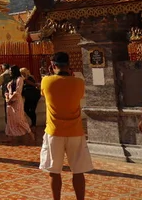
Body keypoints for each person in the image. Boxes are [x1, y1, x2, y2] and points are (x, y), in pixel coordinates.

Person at [40, 52, 93, 200]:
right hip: (75, 131)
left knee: (54, 171)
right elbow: (80, 95)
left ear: (52, 65)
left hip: (54, 131)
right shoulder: (79, 83)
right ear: (69, 66)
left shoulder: (46, 81)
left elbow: (44, 95)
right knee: (78, 171)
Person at [5, 65, 34, 142]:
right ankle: (10, 136)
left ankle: (30, 133)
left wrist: (10, 99)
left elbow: (18, 92)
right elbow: (7, 91)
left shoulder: (20, 79)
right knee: (10, 119)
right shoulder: (11, 81)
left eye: (11, 71)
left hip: (16, 101)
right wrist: (7, 98)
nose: (10, 72)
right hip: (9, 102)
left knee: (19, 119)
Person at [20, 67, 41, 133]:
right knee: (26, 109)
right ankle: (33, 122)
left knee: (32, 109)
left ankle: (34, 124)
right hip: (28, 96)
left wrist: (24, 80)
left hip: (34, 95)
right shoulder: (22, 79)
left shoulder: (30, 78)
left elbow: (33, 84)